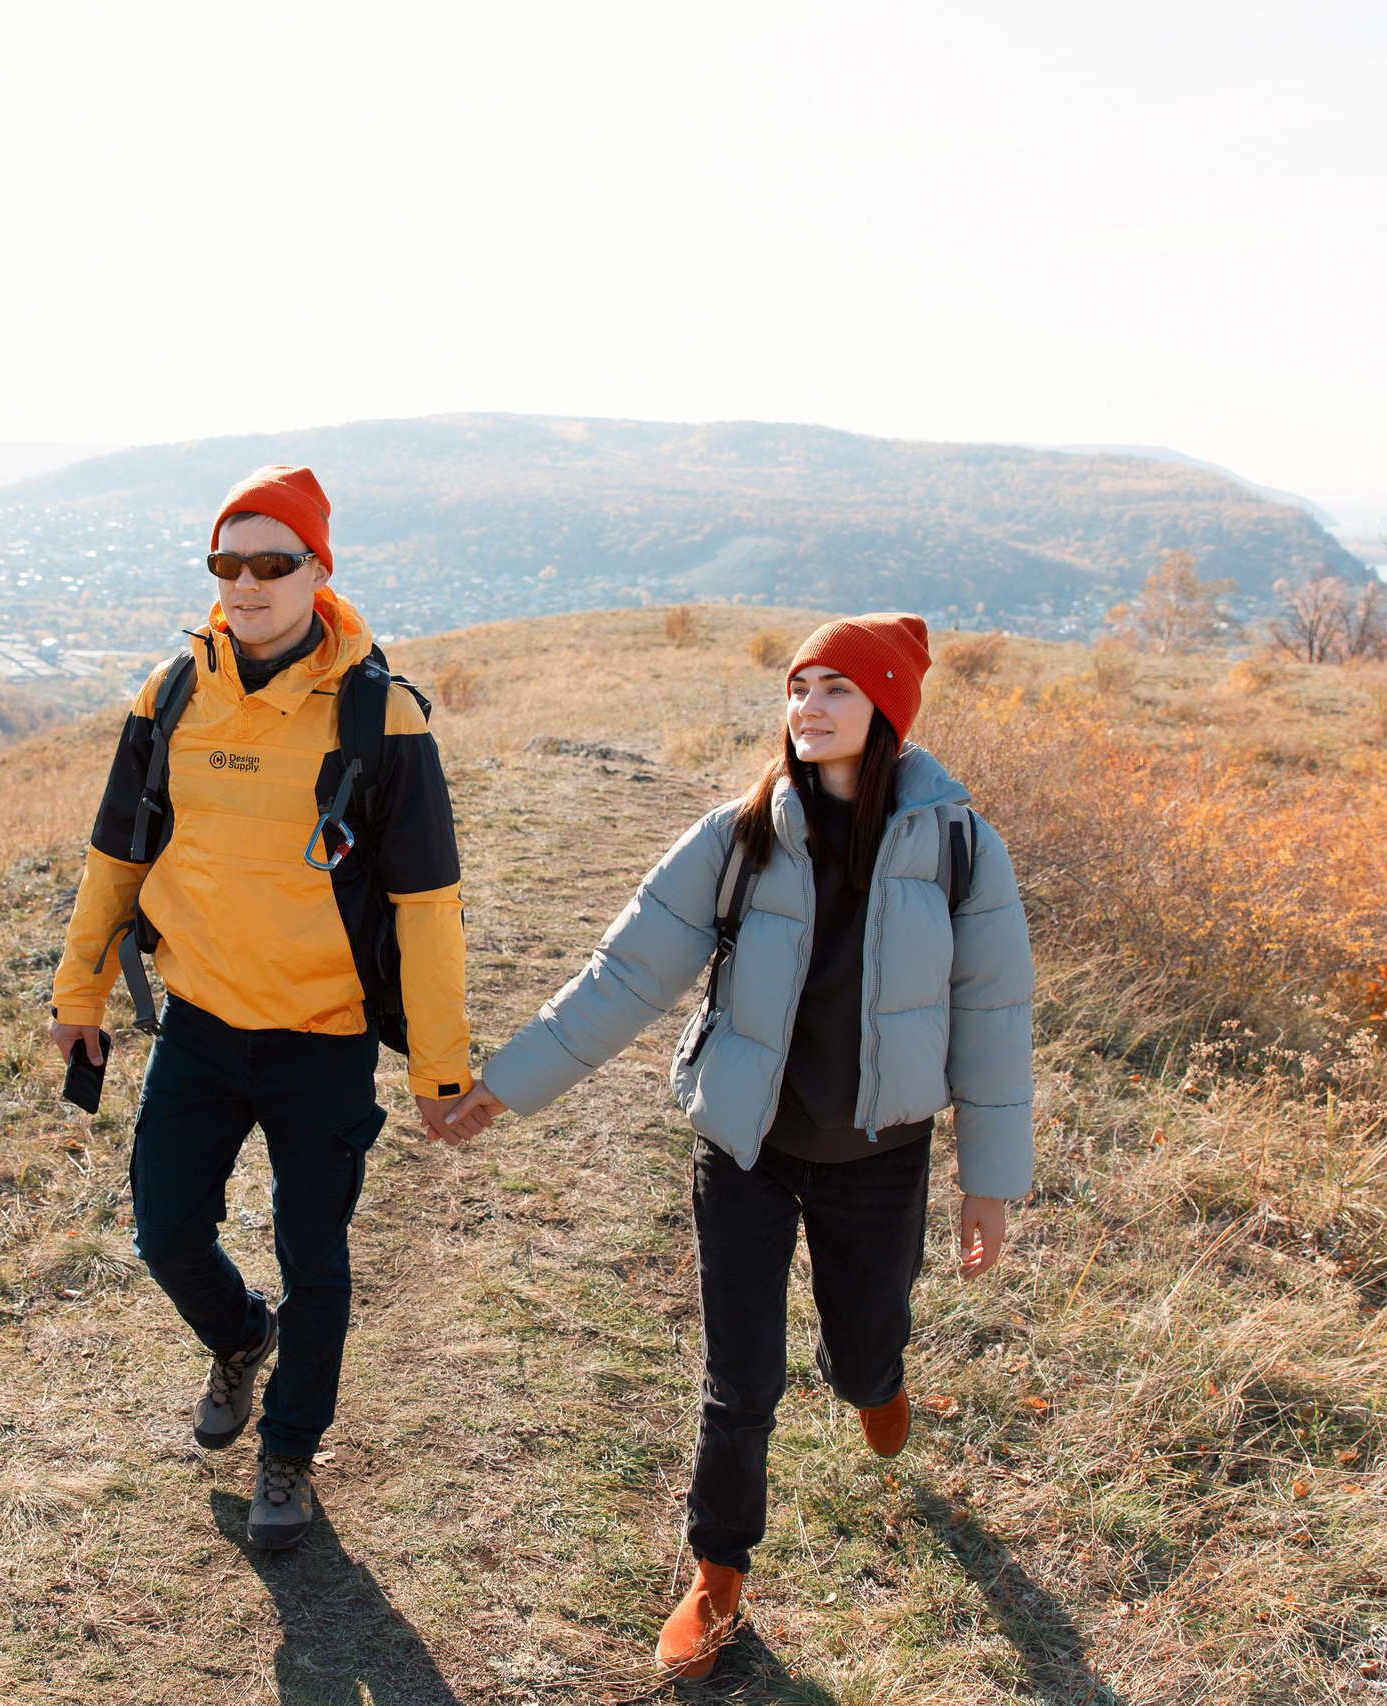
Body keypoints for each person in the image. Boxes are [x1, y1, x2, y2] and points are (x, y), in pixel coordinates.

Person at [443, 614, 1034, 1678]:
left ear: (888, 707)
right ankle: (718, 1578)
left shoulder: (957, 843)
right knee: (739, 1375)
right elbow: (626, 972)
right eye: (797, 686)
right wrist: (505, 1082)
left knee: (860, 1347)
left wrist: (986, 1183)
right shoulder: (741, 831)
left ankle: (874, 1378)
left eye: (835, 689)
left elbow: (993, 1012)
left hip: (879, 1153)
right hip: (745, 1148)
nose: (806, 705)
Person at [47, 464, 474, 1552]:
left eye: (271, 561)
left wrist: (439, 1067)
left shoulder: (384, 717)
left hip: (322, 1041)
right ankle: (241, 1338)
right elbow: (114, 855)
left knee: (314, 1255)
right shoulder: (170, 693)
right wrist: (78, 991)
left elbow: (426, 906)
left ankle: (288, 1447)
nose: (246, 582)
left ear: (319, 571)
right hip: (197, 1026)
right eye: (226, 561)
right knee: (165, 1230)